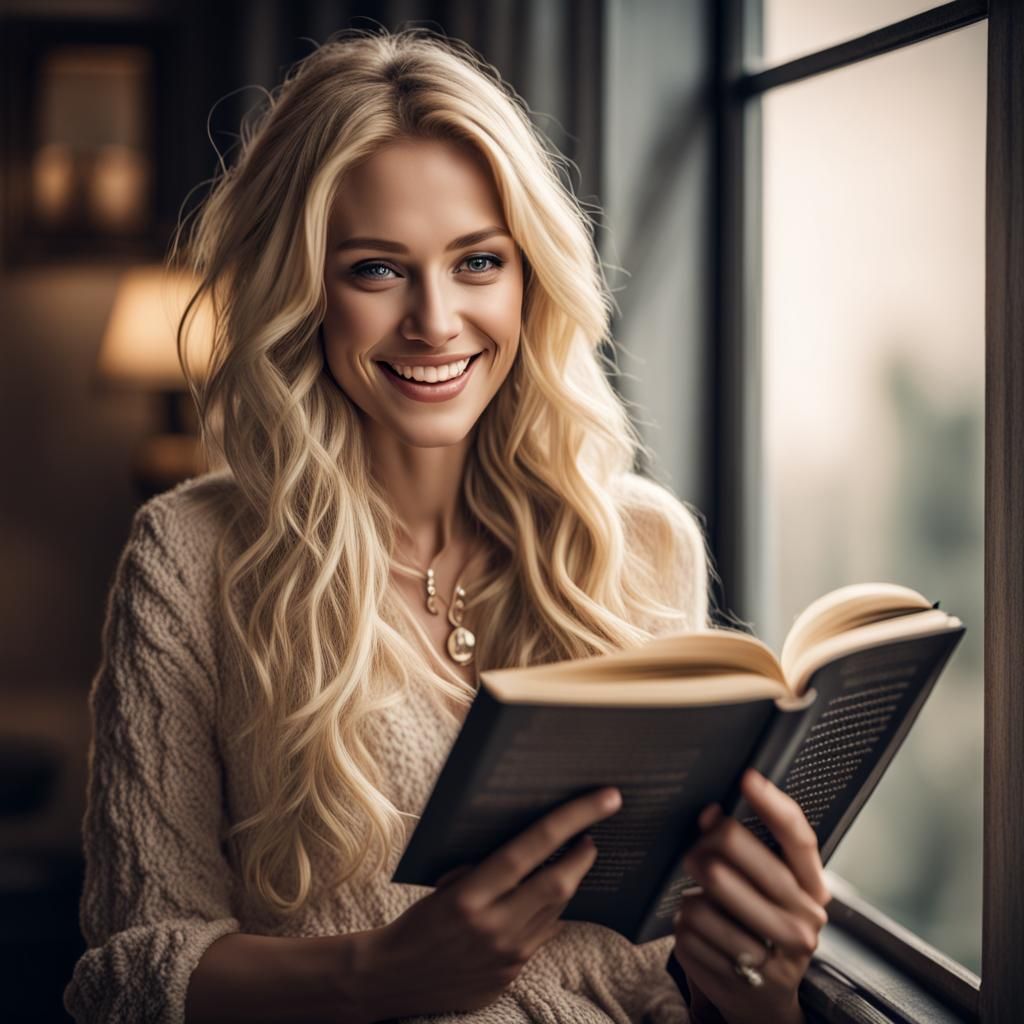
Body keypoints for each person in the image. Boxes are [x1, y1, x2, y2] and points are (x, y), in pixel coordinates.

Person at [64, 29, 830, 1024]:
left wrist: (763, 989)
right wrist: (377, 973)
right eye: (377, 270)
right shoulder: (191, 556)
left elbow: (660, 974)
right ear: (302, 289)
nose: (435, 320)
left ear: (529, 276)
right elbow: (126, 975)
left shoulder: (640, 545)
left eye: (477, 261)